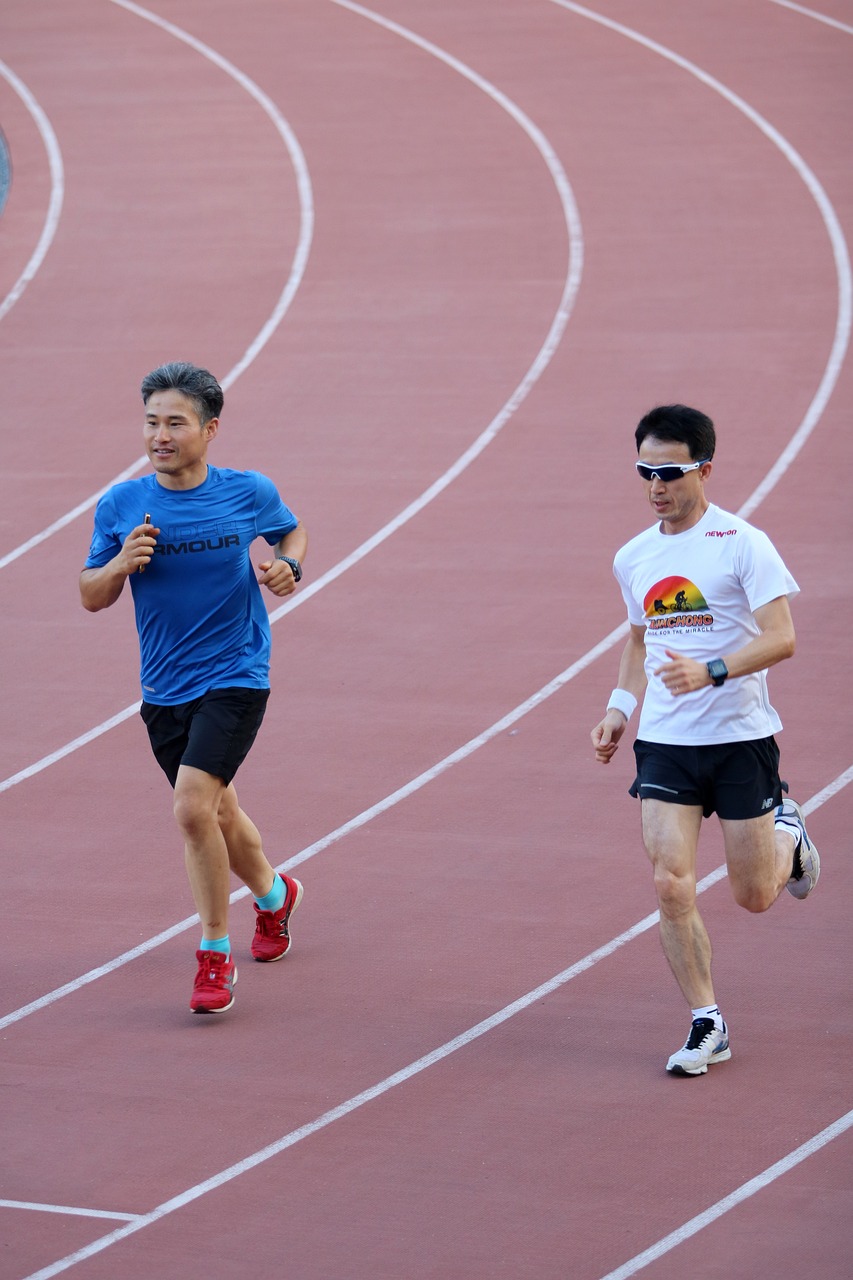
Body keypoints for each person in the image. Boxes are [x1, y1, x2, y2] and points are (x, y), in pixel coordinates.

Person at [590, 404, 820, 1076]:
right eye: (645, 472)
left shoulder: (742, 544)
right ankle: (706, 1021)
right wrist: (618, 709)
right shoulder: (633, 556)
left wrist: (712, 669)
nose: (655, 486)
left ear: (704, 470)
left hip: (740, 738)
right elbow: (639, 640)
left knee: (754, 895)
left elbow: (782, 637)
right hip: (665, 741)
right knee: (670, 883)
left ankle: (789, 834)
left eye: (669, 472)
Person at [81, 362, 308, 1015]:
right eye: (151, 422)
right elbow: (90, 594)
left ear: (209, 430)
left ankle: (213, 953)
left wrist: (288, 565)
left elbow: (290, 531)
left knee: (189, 810)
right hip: (163, 688)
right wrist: (120, 563)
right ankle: (275, 896)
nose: (160, 435)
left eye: (175, 423)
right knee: (219, 814)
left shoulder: (247, 491)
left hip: (236, 675)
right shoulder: (121, 505)